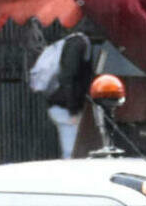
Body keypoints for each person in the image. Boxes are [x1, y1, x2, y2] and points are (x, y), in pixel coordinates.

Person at [25, 30, 99, 158]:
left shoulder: (74, 42)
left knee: (71, 150)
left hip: (62, 105)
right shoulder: (78, 44)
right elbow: (68, 77)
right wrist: (73, 110)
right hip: (66, 107)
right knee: (71, 151)